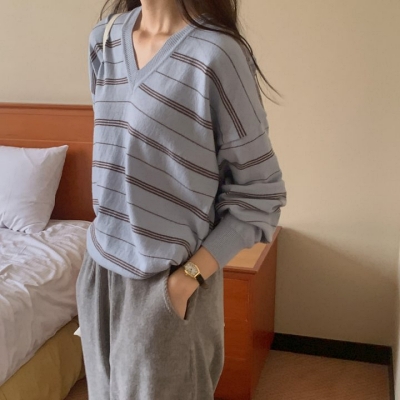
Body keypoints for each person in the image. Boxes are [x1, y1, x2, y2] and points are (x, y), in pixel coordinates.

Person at [76, 0, 287, 399]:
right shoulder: (103, 39)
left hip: (164, 287)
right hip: (98, 275)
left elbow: (261, 194)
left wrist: (183, 283)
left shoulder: (217, 54)